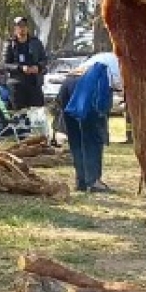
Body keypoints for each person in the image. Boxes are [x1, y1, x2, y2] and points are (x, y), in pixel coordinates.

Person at [56, 61, 113, 193]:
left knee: (75, 135)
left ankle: (81, 180)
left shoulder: (103, 59)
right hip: (90, 83)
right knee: (93, 135)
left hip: (68, 82)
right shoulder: (122, 62)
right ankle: (93, 181)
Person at [2, 16, 47, 110]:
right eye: (19, 26)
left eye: (24, 26)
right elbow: (5, 65)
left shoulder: (36, 43)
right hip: (17, 86)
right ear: (15, 29)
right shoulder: (10, 44)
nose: (22, 28)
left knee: (37, 114)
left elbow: (44, 60)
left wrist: (38, 67)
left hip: (34, 84)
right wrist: (21, 68)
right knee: (18, 115)